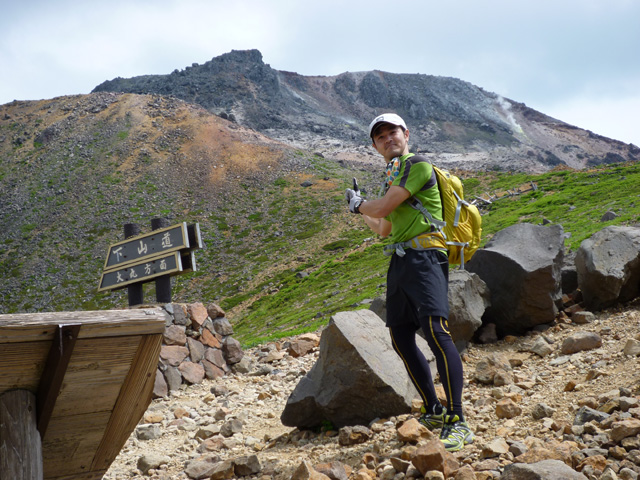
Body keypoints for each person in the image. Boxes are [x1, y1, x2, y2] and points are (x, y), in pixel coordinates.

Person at [344, 113, 473, 452]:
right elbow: (384, 227)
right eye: (380, 136)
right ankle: (433, 408)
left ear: (406, 134)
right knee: (400, 335)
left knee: (435, 330)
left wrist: (360, 205)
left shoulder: (418, 166)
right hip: (401, 259)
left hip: (427, 255)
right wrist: (363, 211)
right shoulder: (394, 177)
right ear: (374, 146)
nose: (388, 139)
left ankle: (458, 420)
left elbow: (385, 207)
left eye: (393, 132)